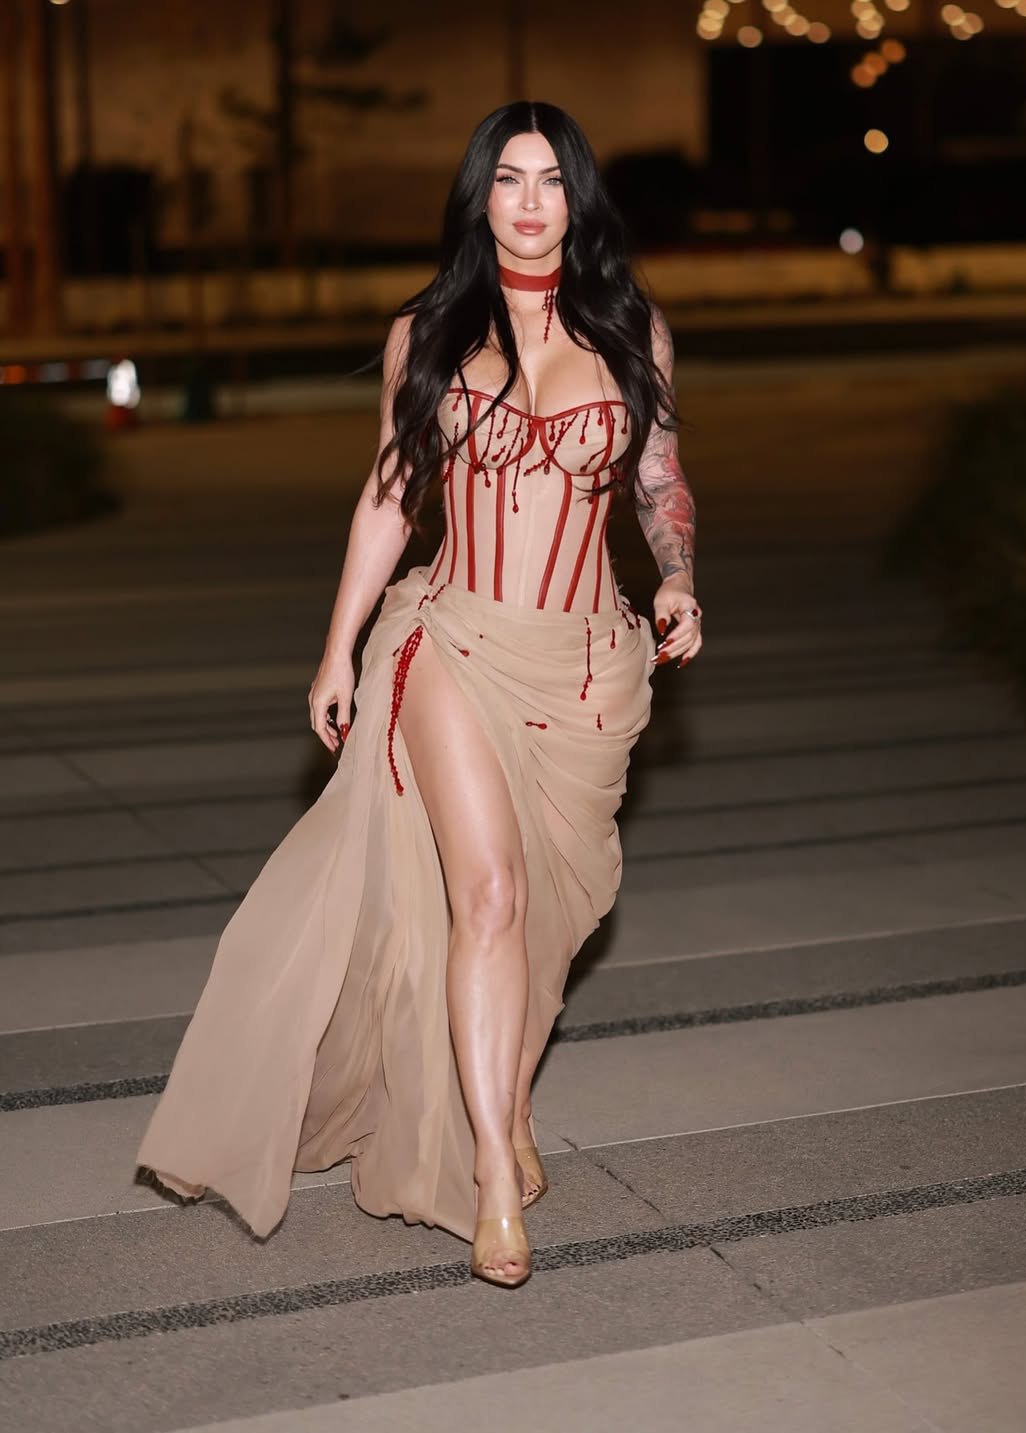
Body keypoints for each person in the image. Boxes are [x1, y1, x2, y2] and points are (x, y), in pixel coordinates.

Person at [136, 101, 700, 1290]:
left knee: (547, 911)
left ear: (580, 198)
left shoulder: (631, 329)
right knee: (487, 892)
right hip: (451, 638)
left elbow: (658, 479)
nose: (531, 202)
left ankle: (504, 1095)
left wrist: (680, 576)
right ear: (479, 195)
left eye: (552, 179)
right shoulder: (429, 329)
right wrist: (337, 648)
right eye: (509, 178)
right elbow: (393, 495)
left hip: (585, 663)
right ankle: (490, 1170)